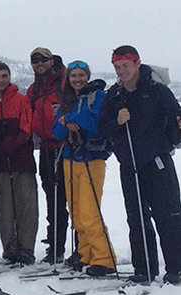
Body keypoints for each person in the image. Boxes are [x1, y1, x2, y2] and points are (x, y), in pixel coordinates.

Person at [98, 45, 181, 285]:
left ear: (137, 63)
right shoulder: (114, 95)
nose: (122, 71)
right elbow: (103, 128)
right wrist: (117, 120)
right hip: (129, 164)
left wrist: (169, 140)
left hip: (157, 162)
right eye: (117, 67)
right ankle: (144, 269)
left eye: (125, 65)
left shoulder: (156, 90)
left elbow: (175, 119)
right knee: (136, 218)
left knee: (169, 216)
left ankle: (176, 267)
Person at [52, 60, 116, 277]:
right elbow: (57, 131)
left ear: (87, 76)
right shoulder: (68, 100)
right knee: (77, 211)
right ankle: (85, 252)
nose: (77, 79)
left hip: (92, 158)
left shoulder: (97, 97)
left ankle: (104, 258)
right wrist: (65, 122)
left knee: (90, 211)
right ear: (68, 79)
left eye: (81, 75)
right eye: (73, 76)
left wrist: (70, 118)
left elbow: (99, 124)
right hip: (71, 159)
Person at [0, 62, 37, 265]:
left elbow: (27, 128)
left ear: (9, 76)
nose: (1, 80)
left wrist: (11, 144)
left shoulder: (21, 99)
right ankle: (10, 247)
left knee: (26, 206)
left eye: (4, 76)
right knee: (5, 208)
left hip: (21, 159)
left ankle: (26, 249)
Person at [27, 47, 69, 264]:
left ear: (52, 60)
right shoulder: (33, 89)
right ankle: (56, 247)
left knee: (71, 198)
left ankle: (80, 248)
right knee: (53, 199)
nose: (39, 63)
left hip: (66, 146)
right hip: (45, 147)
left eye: (43, 59)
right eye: (35, 60)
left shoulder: (65, 82)